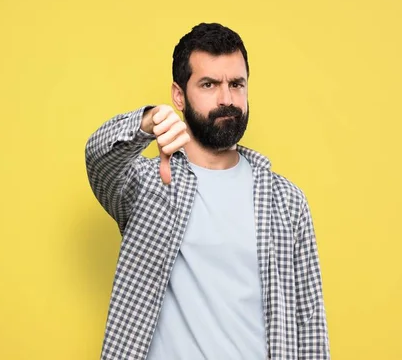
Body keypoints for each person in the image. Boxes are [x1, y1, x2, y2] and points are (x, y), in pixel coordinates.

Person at [85, 22, 331, 360]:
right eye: (209, 84)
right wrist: (147, 123)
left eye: (236, 84)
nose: (226, 99)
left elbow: (310, 323)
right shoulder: (146, 184)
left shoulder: (285, 201)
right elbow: (98, 158)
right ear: (178, 96)